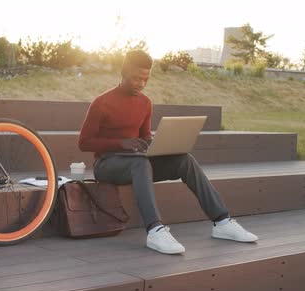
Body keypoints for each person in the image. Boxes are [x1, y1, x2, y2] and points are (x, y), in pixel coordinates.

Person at [77, 50, 258, 254]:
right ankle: (155, 231)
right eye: (136, 78)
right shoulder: (102, 102)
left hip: (136, 161)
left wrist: (156, 142)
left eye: (146, 79)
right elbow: (84, 143)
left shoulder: (145, 103)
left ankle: (222, 221)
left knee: (184, 160)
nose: (141, 84)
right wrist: (122, 143)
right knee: (141, 163)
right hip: (107, 165)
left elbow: (144, 135)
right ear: (124, 71)